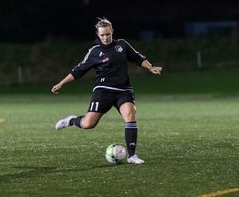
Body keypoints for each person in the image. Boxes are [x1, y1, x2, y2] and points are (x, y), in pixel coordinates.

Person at [51, 18, 162, 164]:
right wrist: (61, 83)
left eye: (108, 34)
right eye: (102, 35)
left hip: (123, 89)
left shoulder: (122, 44)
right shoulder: (94, 51)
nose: (105, 38)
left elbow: (137, 58)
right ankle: (71, 120)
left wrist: (151, 67)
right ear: (98, 34)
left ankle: (132, 156)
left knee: (130, 115)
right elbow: (79, 70)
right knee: (88, 124)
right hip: (103, 90)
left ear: (112, 32)